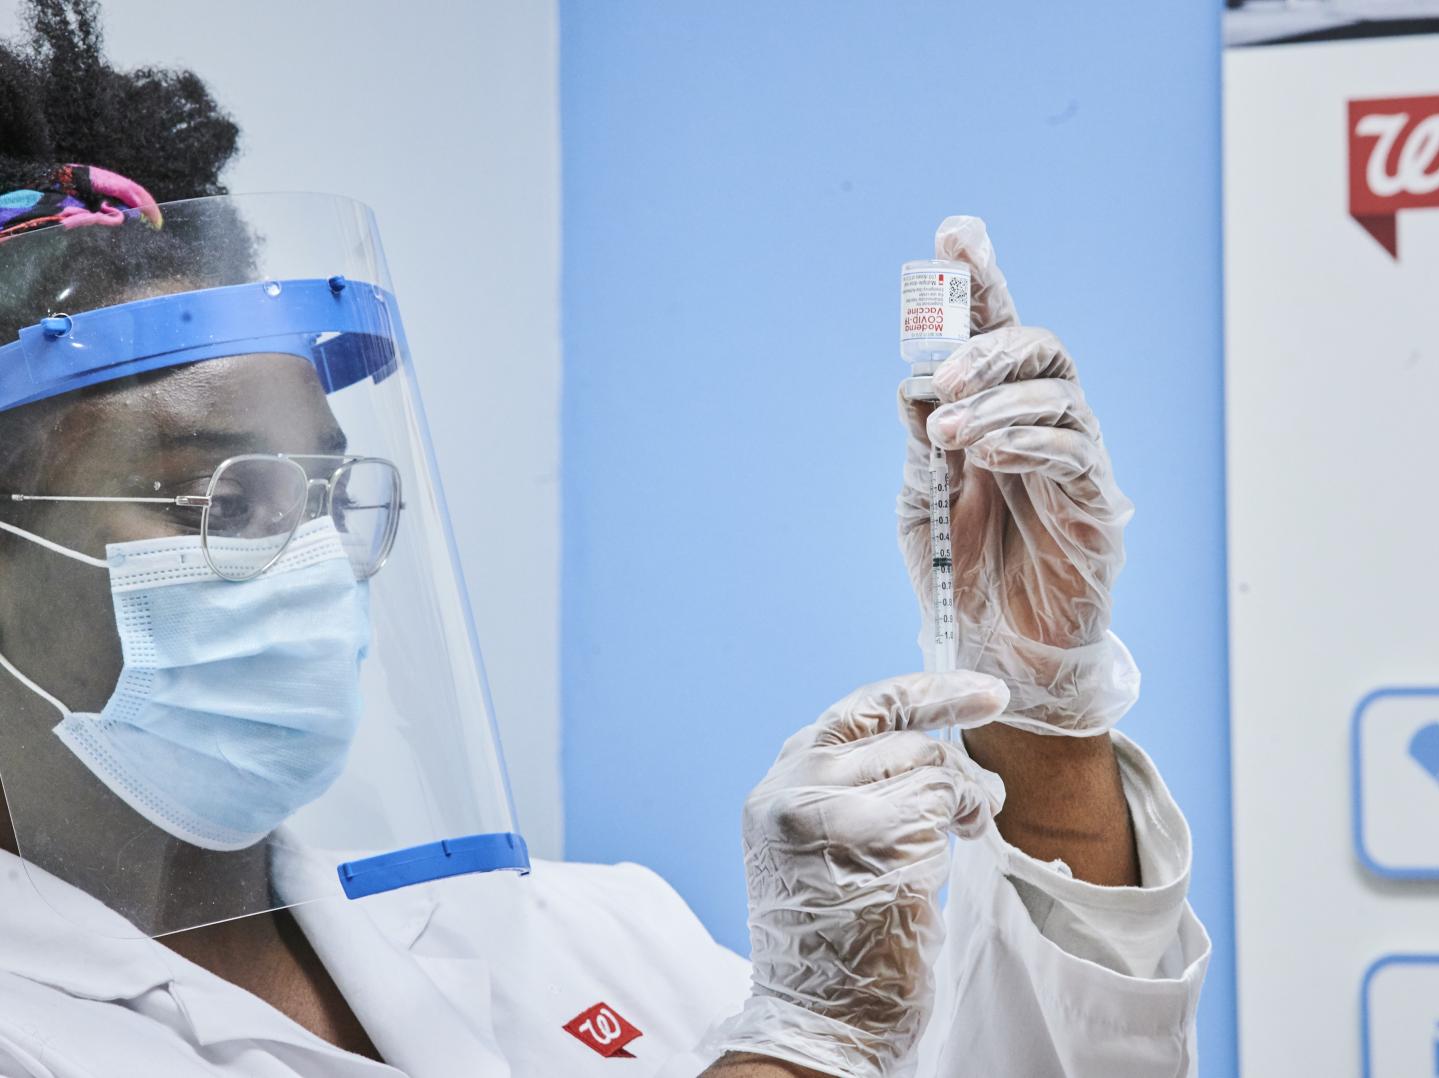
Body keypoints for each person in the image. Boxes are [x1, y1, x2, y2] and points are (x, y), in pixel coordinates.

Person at [0, 4, 1208, 1076]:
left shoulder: (573, 931)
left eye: (331, 492)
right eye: (220, 498)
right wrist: (799, 1048)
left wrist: (1042, 706)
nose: (317, 557)